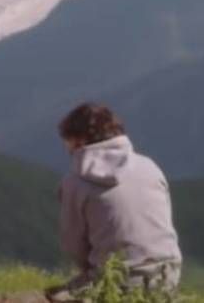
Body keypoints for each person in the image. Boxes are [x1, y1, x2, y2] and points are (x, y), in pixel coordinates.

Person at [51, 102, 182, 298]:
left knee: (54, 297)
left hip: (118, 281)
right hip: (168, 275)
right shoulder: (150, 167)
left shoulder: (74, 183)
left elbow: (73, 244)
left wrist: (92, 271)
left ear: (78, 141)